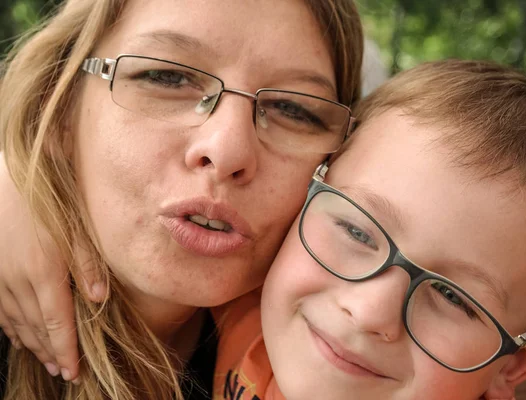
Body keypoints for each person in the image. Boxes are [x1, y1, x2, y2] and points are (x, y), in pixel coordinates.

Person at [0, 0, 364, 398]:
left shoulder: (337, 360)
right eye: (167, 77)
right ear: (57, 110)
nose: (228, 151)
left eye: (292, 109)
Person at [210, 60, 526, 399]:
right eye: (356, 232)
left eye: (452, 296)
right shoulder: (240, 296)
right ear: (300, 203)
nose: (368, 313)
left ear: (513, 365)